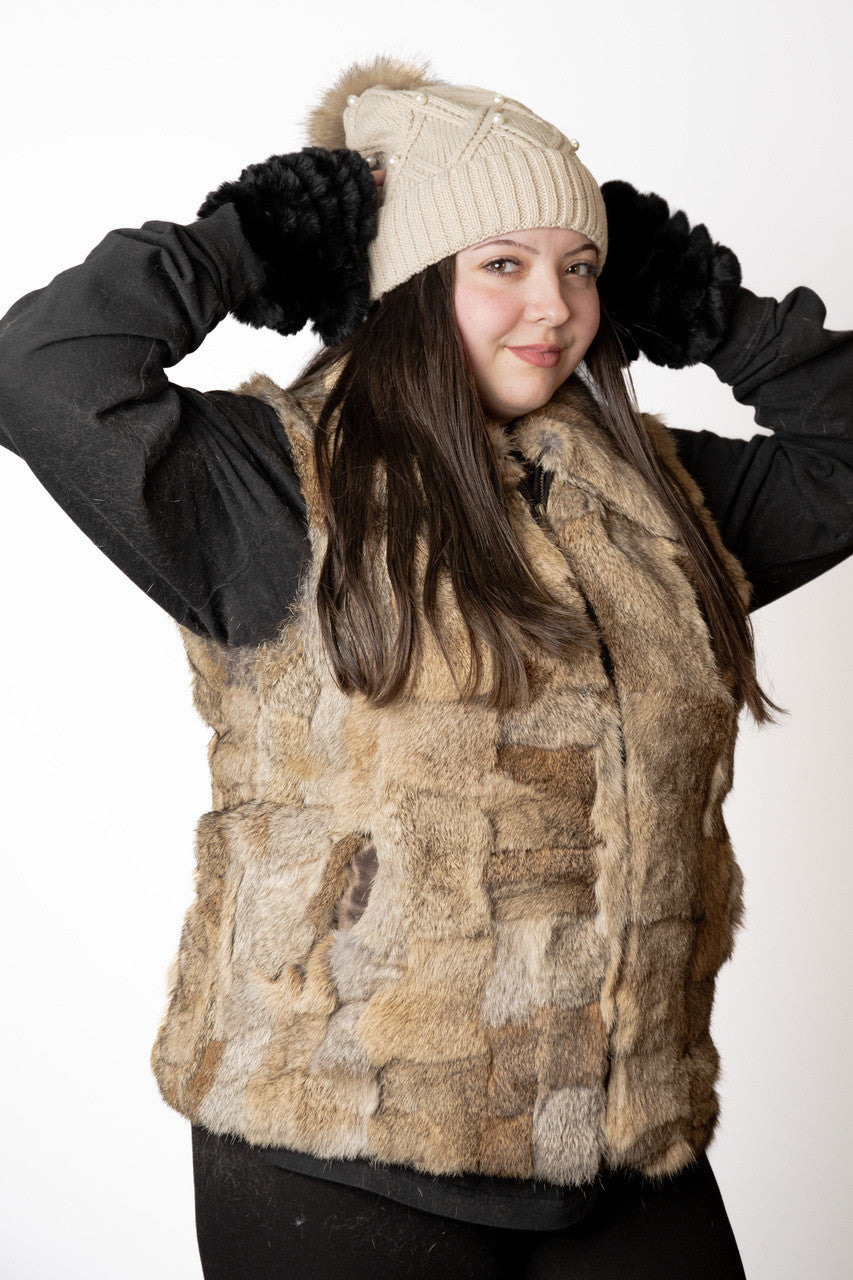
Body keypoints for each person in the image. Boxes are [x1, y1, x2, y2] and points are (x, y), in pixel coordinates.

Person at [1, 50, 850, 1280]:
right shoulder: (269, 486)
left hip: (617, 1142)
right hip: (334, 1150)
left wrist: (718, 313)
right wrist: (245, 241)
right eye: (499, 263)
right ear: (402, 287)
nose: (552, 308)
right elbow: (42, 373)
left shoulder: (658, 504)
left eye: (582, 266)